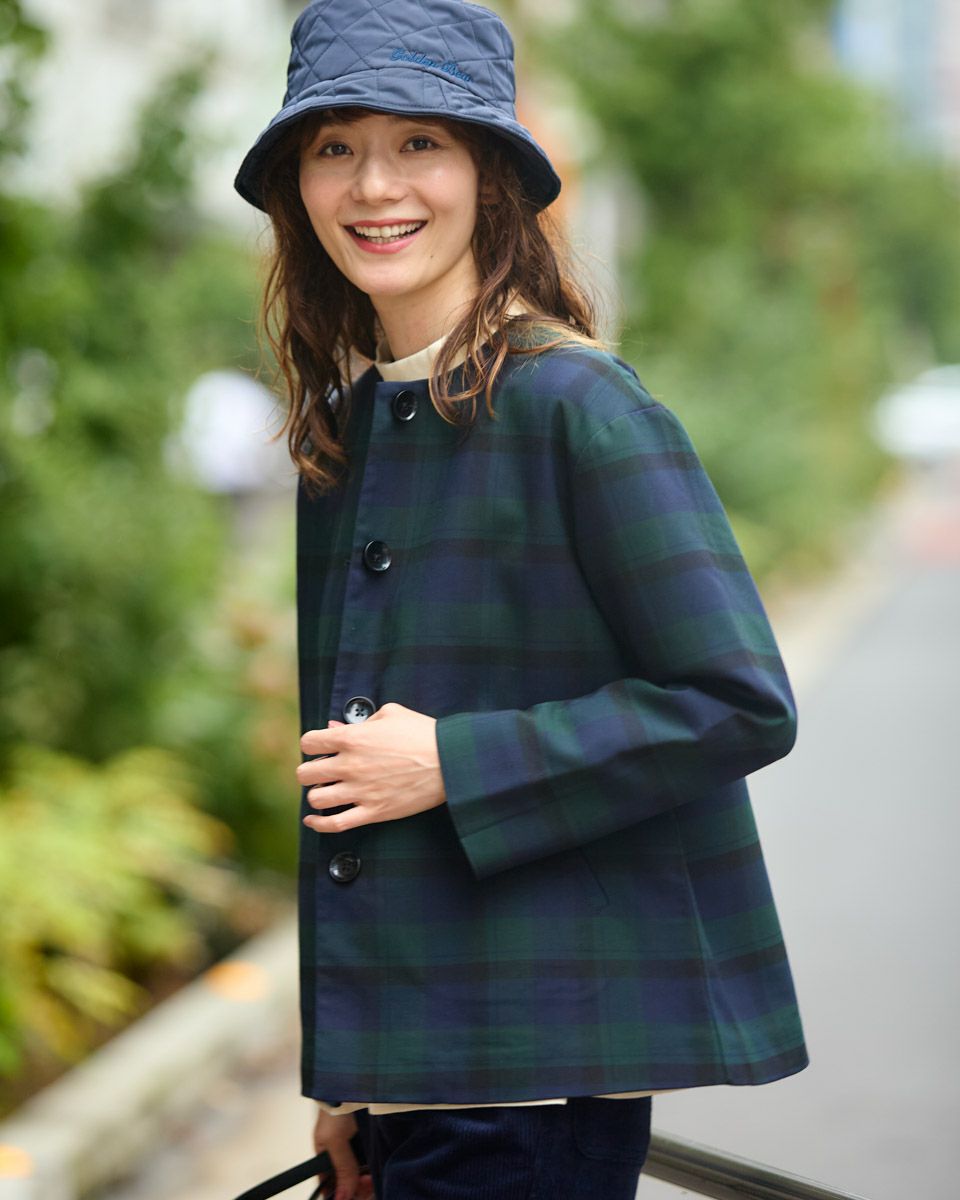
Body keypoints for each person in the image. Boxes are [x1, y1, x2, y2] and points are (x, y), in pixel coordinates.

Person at [234, 1, 808, 1197]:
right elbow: (351, 791)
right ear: (297, 187)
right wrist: (356, 1078)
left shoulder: (578, 407)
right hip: (421, 1074)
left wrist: (455, 761)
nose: (374, 185)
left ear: (491, 175)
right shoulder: (348, 431)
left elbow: (739, 701)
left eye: (420, 142)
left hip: (534, 1087)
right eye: (335, 147)